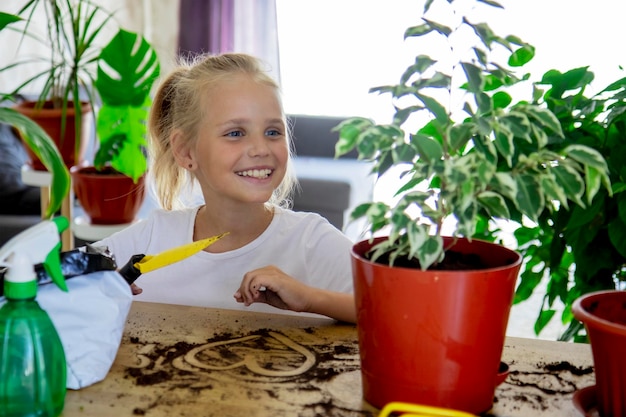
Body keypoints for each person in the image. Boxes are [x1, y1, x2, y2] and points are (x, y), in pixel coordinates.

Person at [94, 53, 356, 323]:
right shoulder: (153, 236)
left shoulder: (310, 240)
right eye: (235, 133)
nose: (260, 149)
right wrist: (91, 290)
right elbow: (54, 281)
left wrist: (310, 299)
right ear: (185, 151)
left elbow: (393, 308)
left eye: (273, 132)